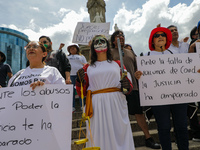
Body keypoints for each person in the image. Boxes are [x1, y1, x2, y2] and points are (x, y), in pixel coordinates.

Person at [76, 35, 135, 150]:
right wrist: (79, 81)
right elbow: (81, 92)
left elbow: (127, 86)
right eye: (96, 42)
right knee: (99, 133)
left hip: (116, 103)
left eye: (102, 41)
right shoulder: (87, 67)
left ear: (107, 45)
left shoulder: (118, 64)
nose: (99, 43)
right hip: (96, 105)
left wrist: (127, 86)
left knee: (119, 132)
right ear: (92, 47)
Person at [135, 27, 189, 150]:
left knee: (181, 126)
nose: (160, 37)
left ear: (167, 38)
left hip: (179, 97)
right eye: (156, 35)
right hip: (158, 99)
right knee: (164, 127)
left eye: (163, 35)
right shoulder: (146, 56)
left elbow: (186, 72)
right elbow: (142, 78)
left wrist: (194, 71)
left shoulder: (177, 54)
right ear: (152, 41)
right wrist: (138, 76)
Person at [110, 30, 160, 149]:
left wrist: (139, 74)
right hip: (116, 89)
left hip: (133, 88)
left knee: (139, 113)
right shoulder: (109, 53)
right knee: (117, 115)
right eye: (118, 36)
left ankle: (148, 138)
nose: (121, 37)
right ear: (113, 40)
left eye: (123, 36)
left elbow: (139, 68)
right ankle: (119, 141)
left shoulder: (130, 52)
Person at [67, 44, 87, 112]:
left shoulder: (81, 56)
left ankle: (83, 106)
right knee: (71, 91)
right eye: (71, 48)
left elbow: (85, 64)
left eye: (74, 48)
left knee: (81, 90)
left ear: (77, 49)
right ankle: (72, 106)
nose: (72, 49)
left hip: (80, 76)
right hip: (71, 75)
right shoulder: (67, 57)